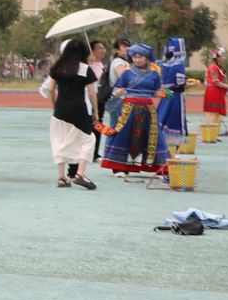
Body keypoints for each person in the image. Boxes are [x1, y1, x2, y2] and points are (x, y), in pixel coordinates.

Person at [100, 43, 169, 176]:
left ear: (147, 59)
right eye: (135, 57)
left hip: (148, 109)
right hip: (129, 108)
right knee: (123, 134)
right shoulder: (127, 73)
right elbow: (117, 90)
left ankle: (160, 168)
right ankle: (118, 167)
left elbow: (155, 92)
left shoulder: (154, 75)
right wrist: (119, 91)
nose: (137, 60)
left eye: (140, 57)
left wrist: (163, 93)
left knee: (154, 136)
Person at [39, 38, 98, 189]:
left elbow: (51, 89)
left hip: (61, 107)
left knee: (59, 140)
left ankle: (61, 177)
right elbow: (92, 94)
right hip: (79, 108)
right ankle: (80, 173)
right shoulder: (85, 69)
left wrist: (54, 105)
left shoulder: (57, 68)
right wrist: (96, 112)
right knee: (89, 139)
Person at [156, 37, 190, 151]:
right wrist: (192, 84)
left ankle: (163, 150)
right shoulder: (178, 65)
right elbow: (180, 83)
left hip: (165, 95)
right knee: (176, 122)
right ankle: (173, 151)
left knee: (163, 119)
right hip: (176, 97)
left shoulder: (163, 64)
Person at [202, 47, 228, 138]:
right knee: (213, 112)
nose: (224, 57)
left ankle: (208, 135)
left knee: (213, 113)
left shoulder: (218, 67)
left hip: (216, 92)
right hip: (213, 92)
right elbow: (215, 82)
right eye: (222, 55)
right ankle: (208, 135)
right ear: (217, 57)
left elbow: (221, 81)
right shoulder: (213, 67)